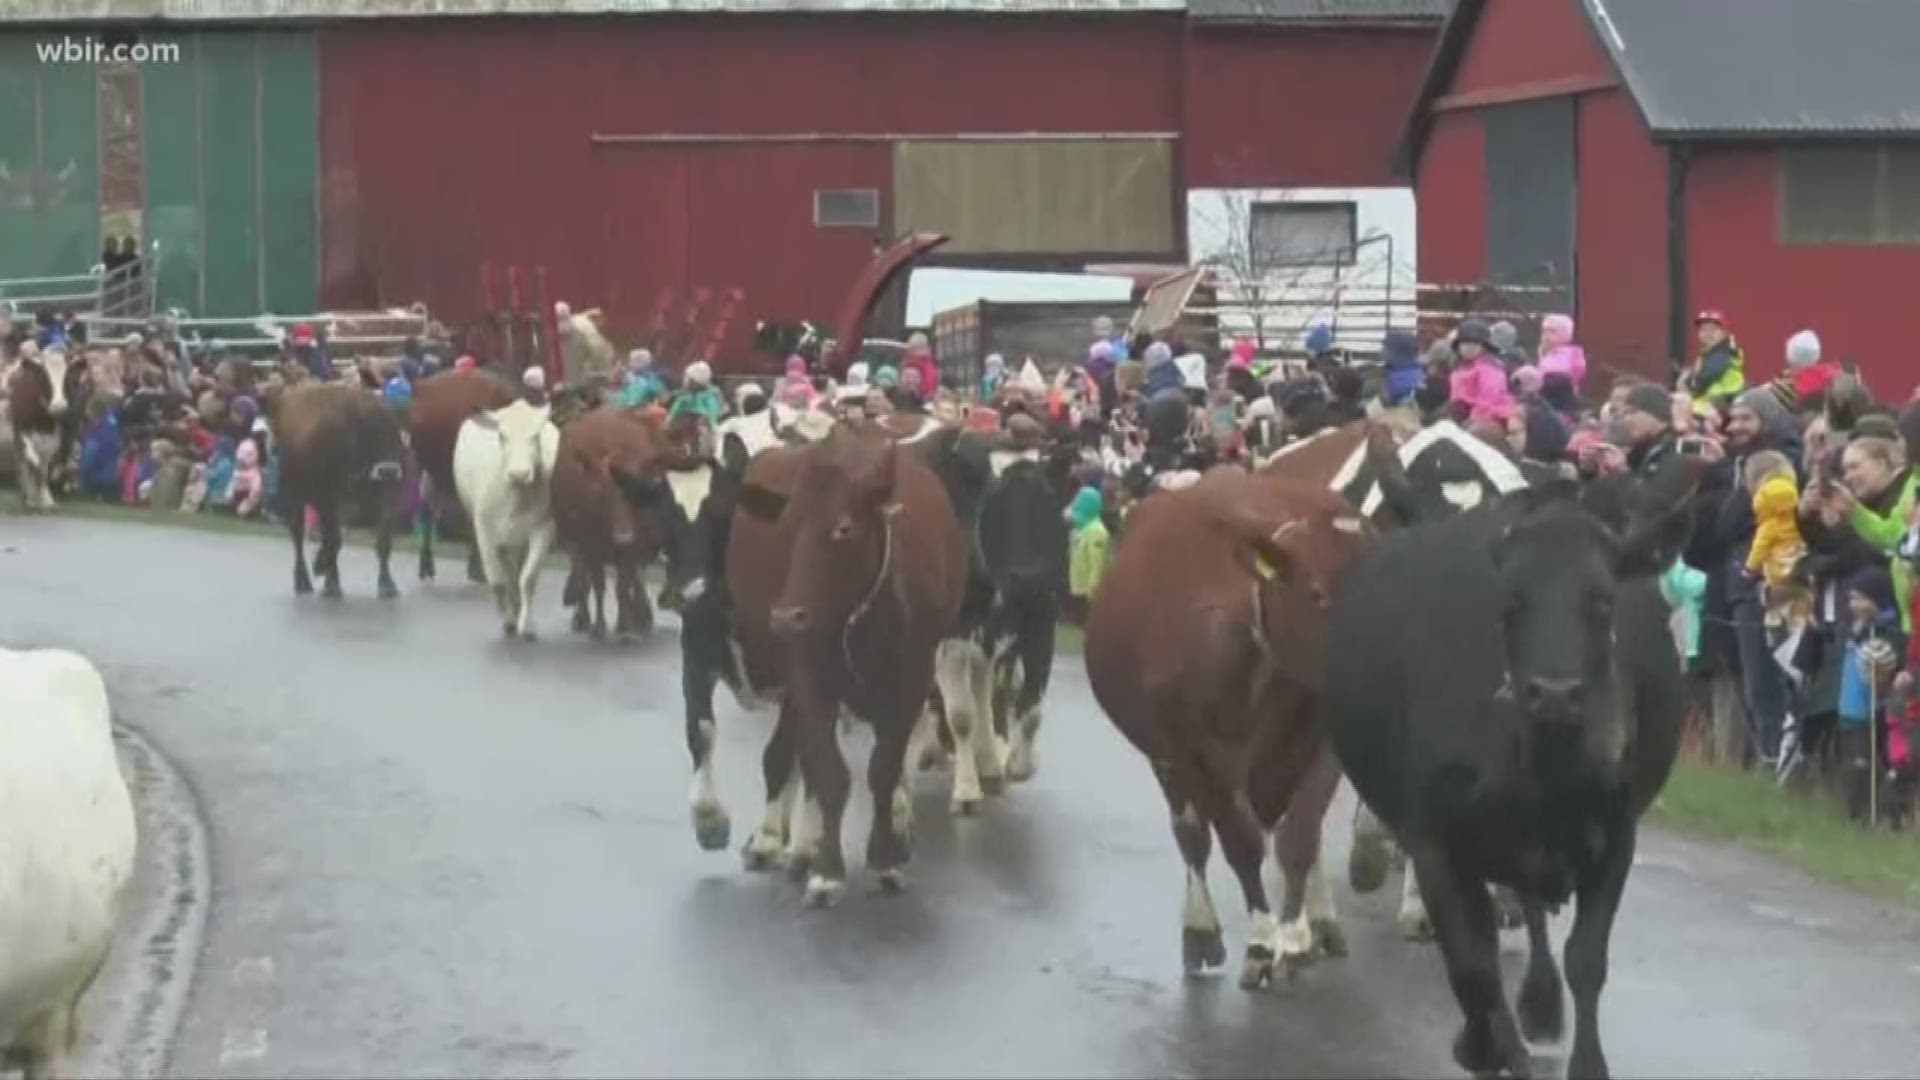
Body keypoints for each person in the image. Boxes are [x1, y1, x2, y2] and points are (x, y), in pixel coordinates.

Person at [1743, 450, 1812, 632]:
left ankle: (1777, 621)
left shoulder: (1768, 526)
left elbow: (1759, 550)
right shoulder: (1803, 516)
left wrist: (1749, 570)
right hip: (1801, 571)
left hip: (1778, 576)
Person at [1447, 319, 1515, 424]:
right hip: (1463, 416)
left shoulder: (1489, 367)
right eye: (1464, 343)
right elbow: (1455, 397)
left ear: (1484, 346)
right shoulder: (1458, 368)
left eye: (1474, 343)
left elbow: (1488, 399)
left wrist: (1472, 420)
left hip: (1494, 417)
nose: (1469, 348)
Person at [1682, 309, 1746, 414]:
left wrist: (1687, 384)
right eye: (1703, 330)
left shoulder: (1725, 352)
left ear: (1723, 332)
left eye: (1712, 330)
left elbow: (1704, 380)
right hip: (1706, 404)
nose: (1708, 334)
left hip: (1722, 406)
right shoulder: (1707, 353)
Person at [1066, 484, 1111, 624]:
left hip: (1088, 591)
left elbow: (1097, 563)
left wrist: (1093, 590)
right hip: (1078, 586)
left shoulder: (1096, 531)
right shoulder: (1079, 529)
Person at [1538, 314, 1588, 392]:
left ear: (1565, 334)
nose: (1546, 336)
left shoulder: (1569, 356)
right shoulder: (1547, 353)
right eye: (1544, 331)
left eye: (1552, 332)